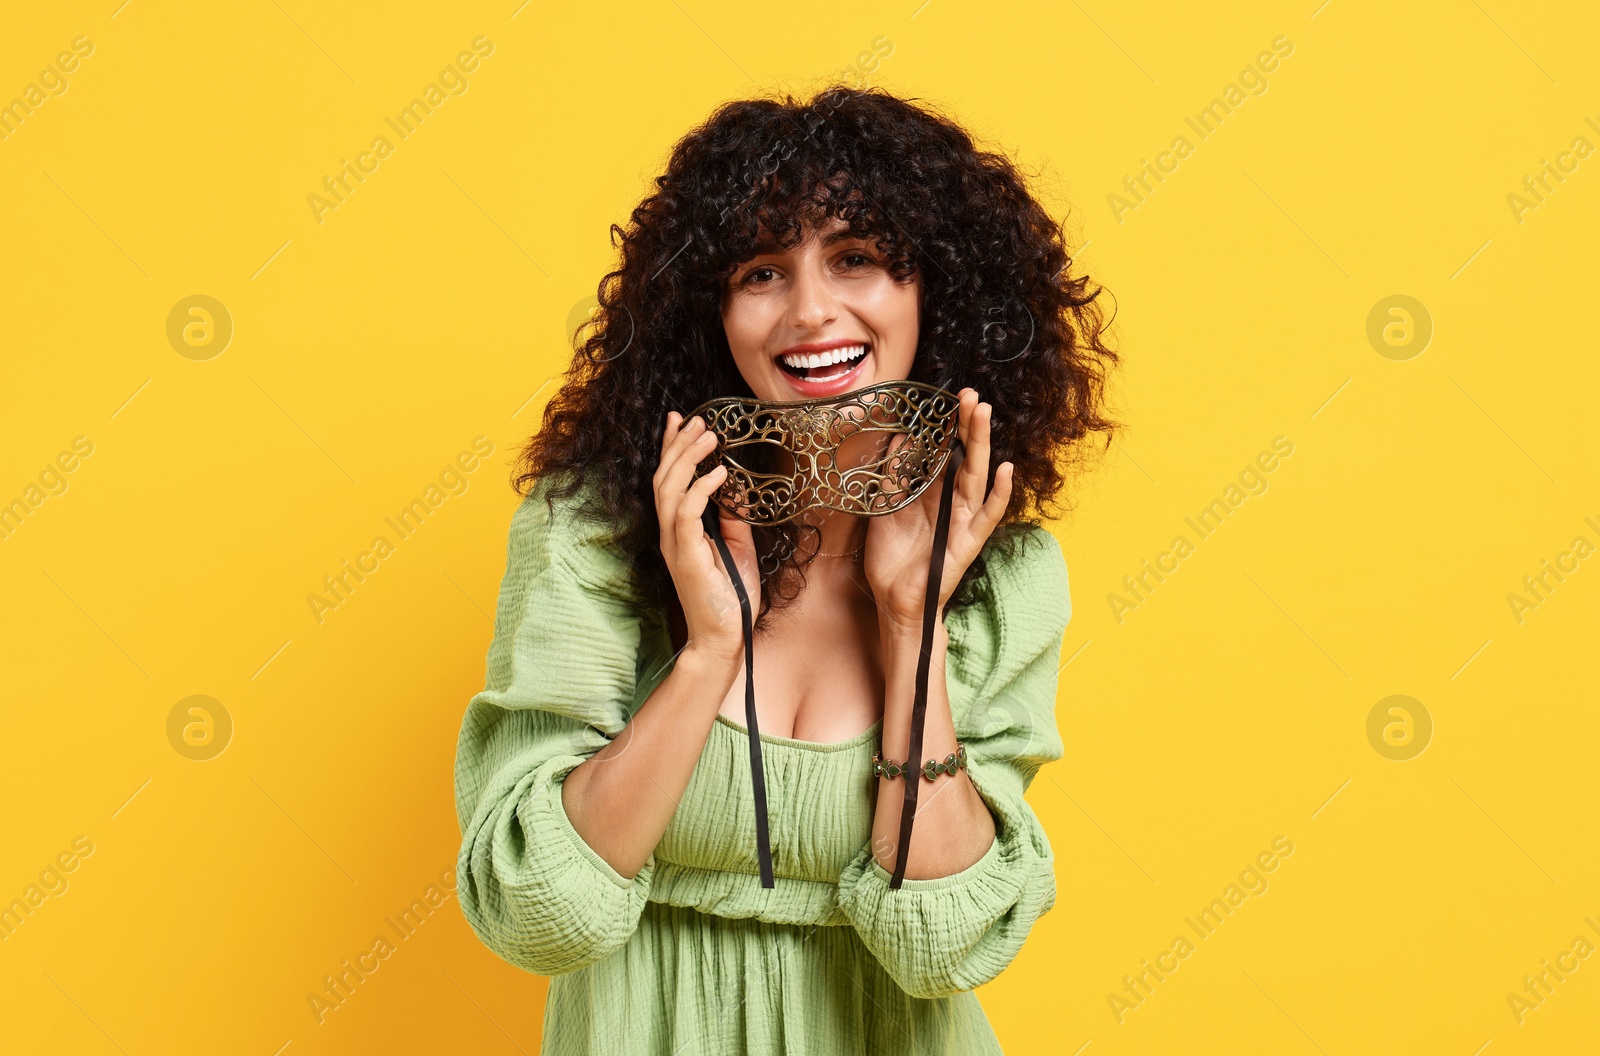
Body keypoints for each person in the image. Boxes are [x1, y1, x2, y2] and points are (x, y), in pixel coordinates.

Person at [453, 84, 1118, 1054]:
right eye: (761, 271)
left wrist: (911, 622)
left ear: (934, 288)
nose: (811, 311)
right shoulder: (590, 535)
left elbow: (942, 948)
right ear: (706, 313)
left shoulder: (1001, 571)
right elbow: (534, 910)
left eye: (856, 258)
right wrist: (708, 649)